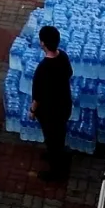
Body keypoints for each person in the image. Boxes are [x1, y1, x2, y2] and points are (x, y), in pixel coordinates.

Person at [31, 25, 74, 181]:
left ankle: (56, 170)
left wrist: (32, 110)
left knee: (52, 138)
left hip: (50, 112)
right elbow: (69, 73)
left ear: (42, 43)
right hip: (64, 105)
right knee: (59, 133)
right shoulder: (63, 56)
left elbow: (38, 95)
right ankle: (58, 152)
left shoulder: (43, 69)